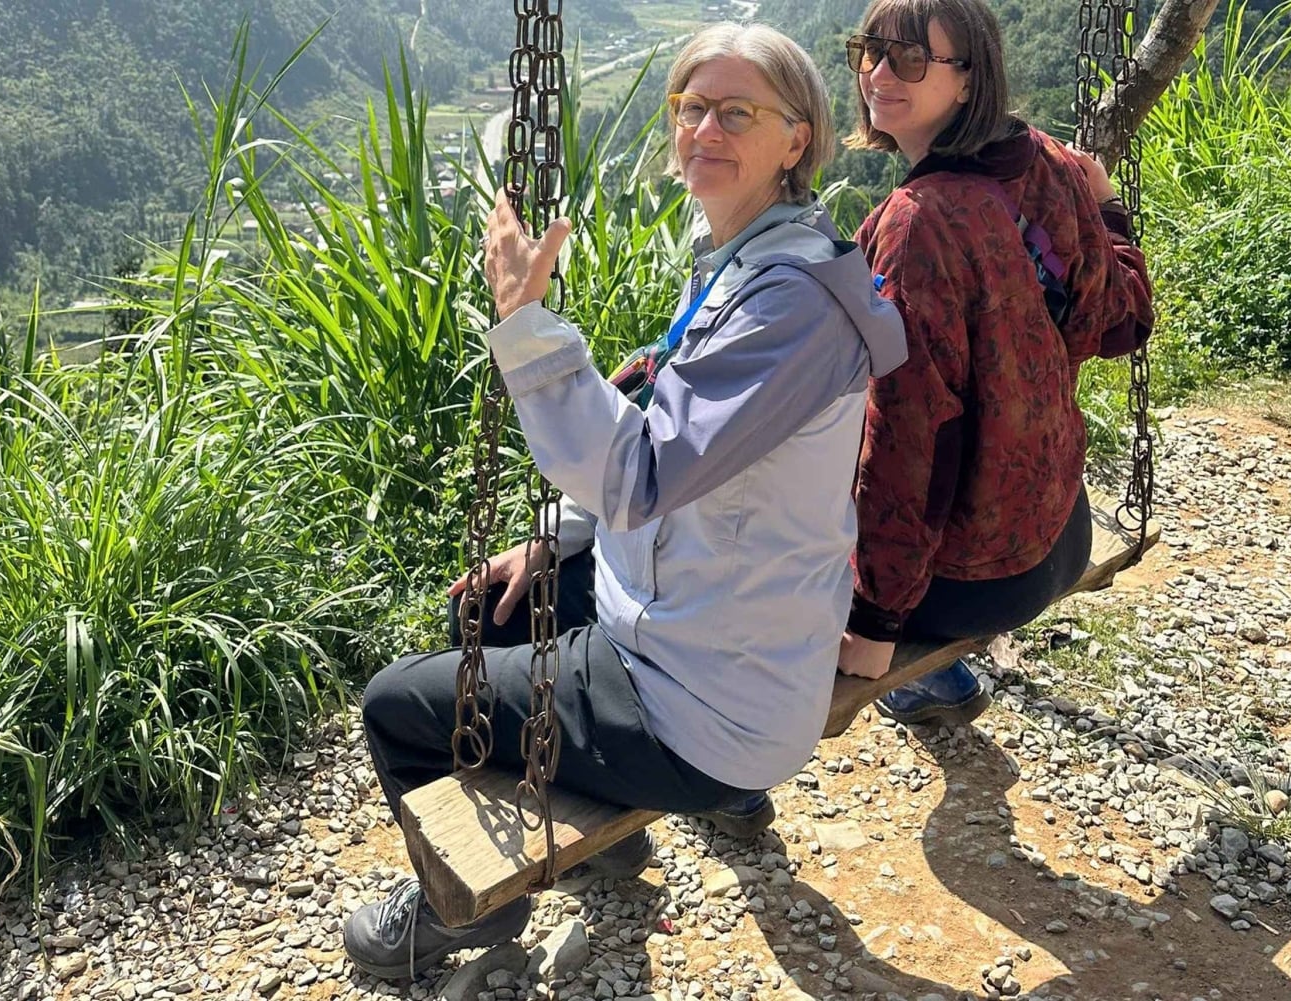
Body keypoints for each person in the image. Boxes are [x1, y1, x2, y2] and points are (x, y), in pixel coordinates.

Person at [342, 22, 905, 981]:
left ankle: (460, 918)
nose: (703, 131)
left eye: (737, 112)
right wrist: (556, 537)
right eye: (690, 108)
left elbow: (642, 472)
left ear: (796, 138)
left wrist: (524, 321)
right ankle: (607, 835)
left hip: (706, 700)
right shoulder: (762, 258)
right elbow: (684, 448)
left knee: (396, 706)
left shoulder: (787, 308)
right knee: (491, 605)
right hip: (720, 626)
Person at [831, 0, 1154, 719]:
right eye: (869, 52)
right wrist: (1107, 213)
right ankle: (936, 679)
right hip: (1058, 533)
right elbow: (1123, 324)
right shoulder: (1044, 159)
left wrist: (877, 622)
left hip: (970, 581)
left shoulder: (916, 226)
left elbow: (911, 441)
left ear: (969, 80)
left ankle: (716, 776)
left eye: (910, 60)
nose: (878, 74)